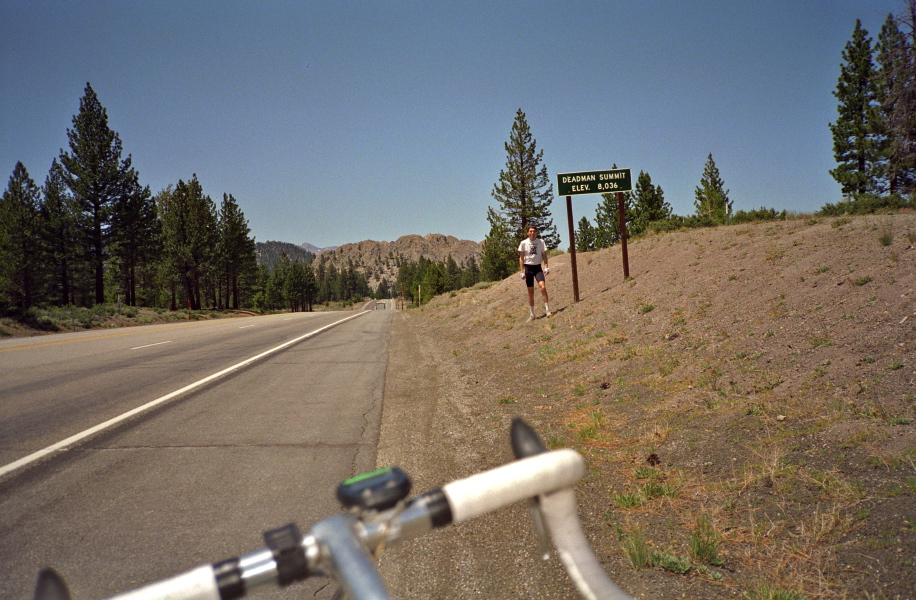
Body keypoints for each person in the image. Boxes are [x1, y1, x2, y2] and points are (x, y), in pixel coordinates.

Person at [518, 225, 551, 321]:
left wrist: (546, 267)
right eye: (530, 231)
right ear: (528, 233)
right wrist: (521, 271)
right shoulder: (523, 243)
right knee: (530, 292)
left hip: (537, 268)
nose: (532, 233)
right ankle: (532, 314)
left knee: (543, 287)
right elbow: (521, 257)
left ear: (536, 232)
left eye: (534, 231)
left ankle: (547, 310)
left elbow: (544, 255)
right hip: (528, 268)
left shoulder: (541, 242)